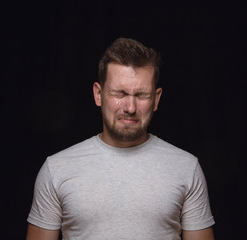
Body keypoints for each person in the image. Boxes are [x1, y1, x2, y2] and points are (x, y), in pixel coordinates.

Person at [26, 37, 215, 240]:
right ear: (98, 94)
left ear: (156, 99)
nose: (130, 108)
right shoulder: (57, 169)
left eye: (141, 95)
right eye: (120, 93)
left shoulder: (186, 168)